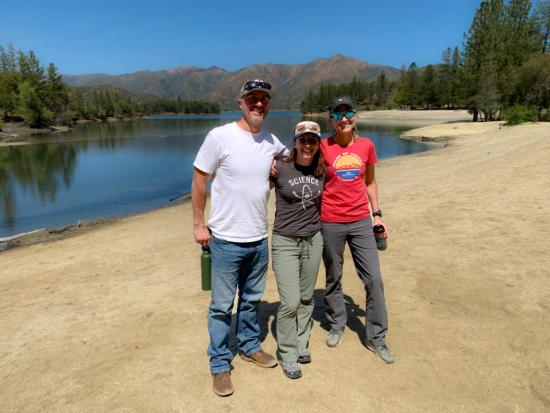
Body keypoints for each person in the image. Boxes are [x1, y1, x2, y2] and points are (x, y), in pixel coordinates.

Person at [192, 79, 288, 397]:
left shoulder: (273, 142)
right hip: (225, 240)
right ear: (241, 103)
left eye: (263, 99)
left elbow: (295, 160)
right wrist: (198, 224)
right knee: (221, 306)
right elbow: (199, 180)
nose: (258, 104)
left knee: (250, 301)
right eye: (253, 99)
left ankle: (249, 346)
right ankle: (220, 364)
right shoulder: (219, 137)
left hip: (259, 239)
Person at [320, 96, 395, 364]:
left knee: (374, 279)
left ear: (356, 116)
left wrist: (377, 215)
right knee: (334, 276)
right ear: (330, 119)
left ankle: (377, 337)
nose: (343, 119)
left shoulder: (366, 146)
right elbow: (305, 169)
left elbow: (370, 182)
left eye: (348, 112)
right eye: (337, 114)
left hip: (362, 220)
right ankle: (337, 322)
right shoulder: (322, 147)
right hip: (330, 220)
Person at [270, 121, 325, 379]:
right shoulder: (279, 167)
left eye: (312, 140)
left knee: (306, 297)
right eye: (303, 140)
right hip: (285, 242)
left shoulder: (321, 169)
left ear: (318, 143)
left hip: (313, 239)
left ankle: (302, 342)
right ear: (295, 142)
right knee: (290, 301)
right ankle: (288, 353)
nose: (307, 145)